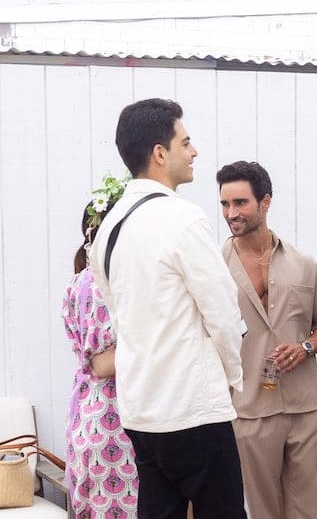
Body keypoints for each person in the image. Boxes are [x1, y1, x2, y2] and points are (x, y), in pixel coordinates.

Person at [88, 98, 247, 519]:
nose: (193, 152)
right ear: (160, 153)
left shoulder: (109, 227)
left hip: (141, 410)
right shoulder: (183, 219)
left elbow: (119, 317)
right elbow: (223, 313)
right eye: (186, 142)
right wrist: (233, 376)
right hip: (192, 408)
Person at [216, 160, 317, 519]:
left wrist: (305, 347)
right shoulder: (213, 268)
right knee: (263, 512)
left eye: (240, 202)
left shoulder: (303, 263)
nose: (231, 213)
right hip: (247, 410)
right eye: (225, 204)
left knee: (316, 511)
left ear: (266, 202)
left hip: (306, 409)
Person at [63, 177, 138, 519]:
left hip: (93, 418)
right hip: (114, 424)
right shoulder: (101, 284)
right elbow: (104, 364)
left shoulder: (80, 280)